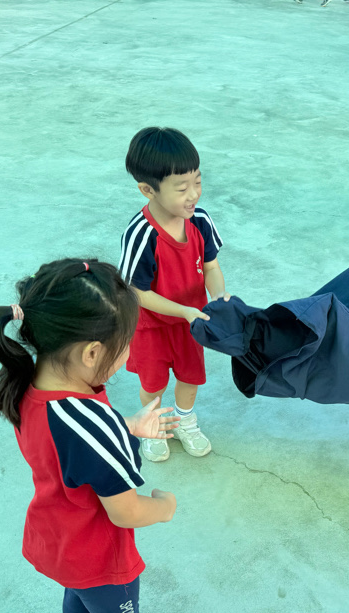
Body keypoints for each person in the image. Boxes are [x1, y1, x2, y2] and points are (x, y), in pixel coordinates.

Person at [0, 258, 180, 613]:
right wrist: (164, 506)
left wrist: (125, 426)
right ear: (91, 353)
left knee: (80, 595)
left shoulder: (28, 386)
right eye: (125, 346)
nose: (128, 357)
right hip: (98, 550)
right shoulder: (90, 422)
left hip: (57, 537)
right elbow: (125, 511)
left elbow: (73, 439)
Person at [118, 127, 227, 462]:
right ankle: (153, 424)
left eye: (197, 181)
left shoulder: (200, 221)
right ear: (148, 189)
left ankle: (184, 421)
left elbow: (211, 267)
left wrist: (219, 298)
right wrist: (183, 311)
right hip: (151, 326)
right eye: (182, 188)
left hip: (191, 322)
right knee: (153, 384)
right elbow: (136, 292)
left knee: (190, 377)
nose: (193, 194)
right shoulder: (141, 235)